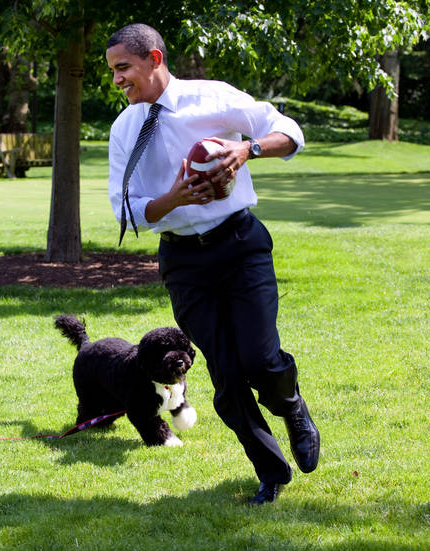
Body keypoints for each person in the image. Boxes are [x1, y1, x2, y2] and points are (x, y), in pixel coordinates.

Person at [105, 23, 319, 505]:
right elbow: (125, 209)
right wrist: (173, 198)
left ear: (155, 60)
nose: (117, 80)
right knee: (225, 376)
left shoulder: (212, 97)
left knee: (261, 361)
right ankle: (271, 472)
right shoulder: (124, 129)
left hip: (240, 245)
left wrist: (248, 148)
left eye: (124, 68)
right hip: (184, 263)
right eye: (113, 71)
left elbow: (290, 131)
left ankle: (293, 408)